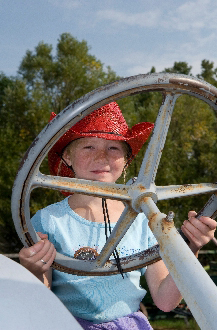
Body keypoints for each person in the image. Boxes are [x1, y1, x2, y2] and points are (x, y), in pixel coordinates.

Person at [19, 102, 217, 330]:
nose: (102, 156)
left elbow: (166, 301)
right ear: (68, 157)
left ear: (126, 161)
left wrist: (190, 248)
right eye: (89, 147)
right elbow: (41, 298)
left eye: (113, 148)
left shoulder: (146, 220)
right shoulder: (48, 221)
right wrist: (34, 270)